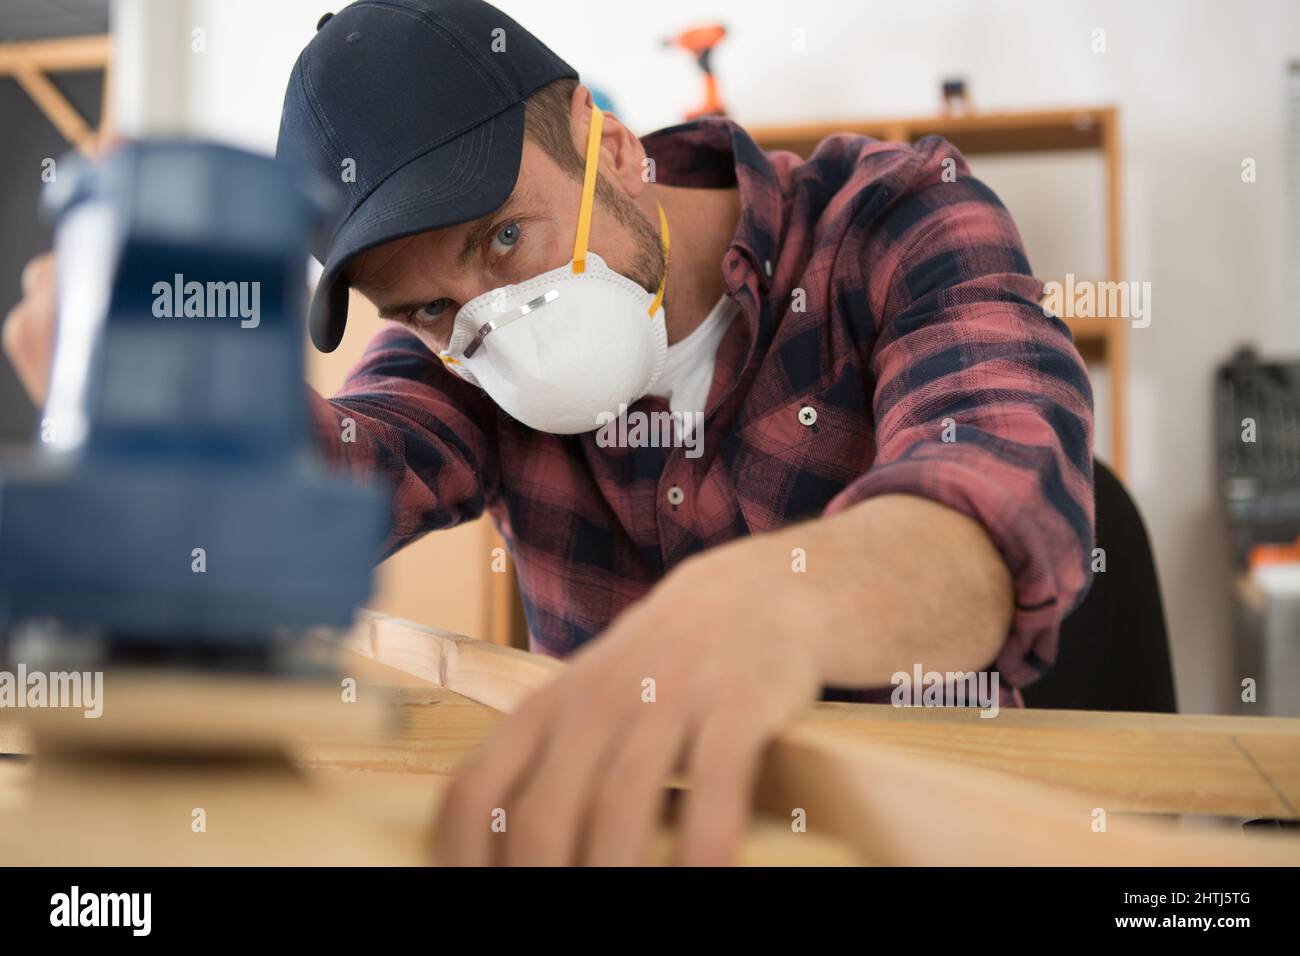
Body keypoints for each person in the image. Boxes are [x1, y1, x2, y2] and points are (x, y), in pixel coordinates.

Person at [4, 0, 1095, 865]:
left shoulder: (894, 220)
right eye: (425, 308)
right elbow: (338, 466)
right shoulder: (460, 354)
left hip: (919, 837)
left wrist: (780, 602)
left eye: (503, 238)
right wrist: (163, 382)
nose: (486, 323)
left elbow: (998, 499)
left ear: (612, 149)